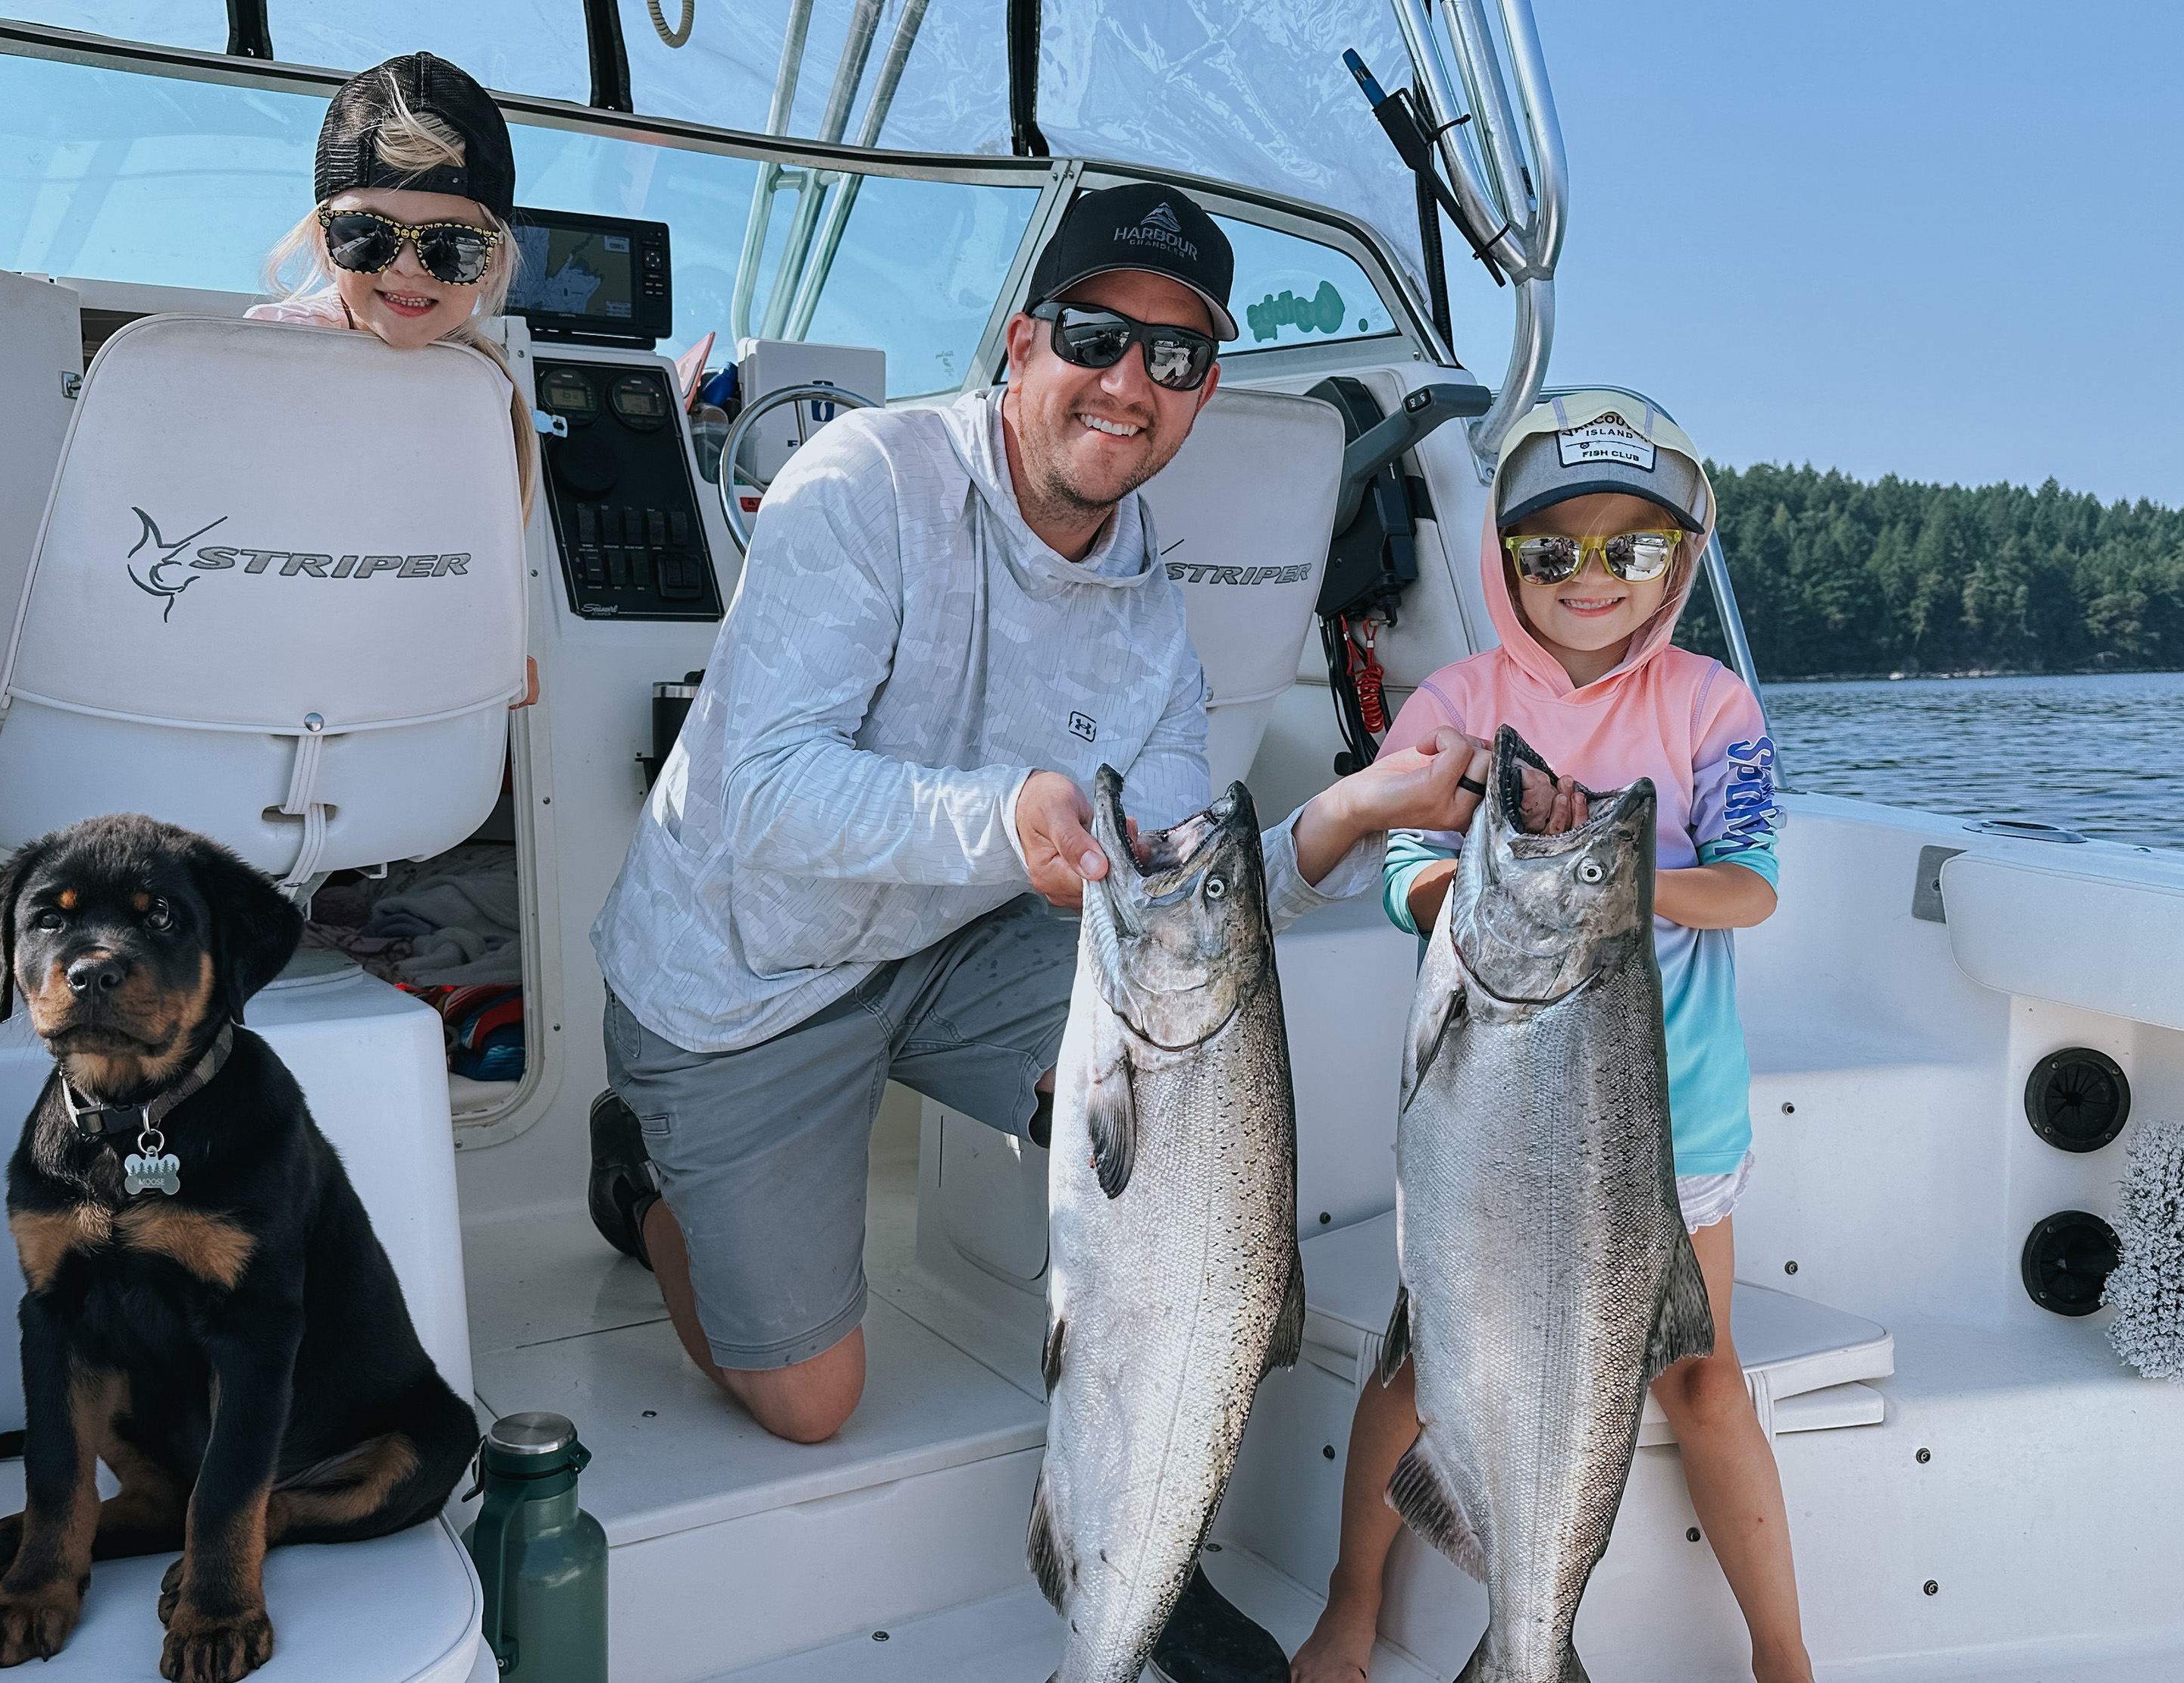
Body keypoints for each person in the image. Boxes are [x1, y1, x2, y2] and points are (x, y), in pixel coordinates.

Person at [585, 181, 1489, 1452]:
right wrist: (1006, 819)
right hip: (748, 971)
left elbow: (1183, 895)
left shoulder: (1149, 609)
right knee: (809, 1404)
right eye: (1094, 335)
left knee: (1179, 1059)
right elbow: (760, 795)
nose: (1128, 380)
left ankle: (1132, 1460)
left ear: (1202, 393)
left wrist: (1351, 809)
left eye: (1173, 356)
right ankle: (642, 1180)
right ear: (1023, 343)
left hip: (954, 944)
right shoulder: (866, 481)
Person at [1289, 393, 1806, 1683]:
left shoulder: (1711, 705)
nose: (1591, 578)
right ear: (1503, 557)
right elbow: (1413, 881)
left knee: (1702, 1378)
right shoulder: (1454, 704)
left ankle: (1784, 1656)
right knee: (1422, 1376)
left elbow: (1752, 885)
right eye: (1552, 549)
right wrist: (1515, 876)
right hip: (1489, 1139)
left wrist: (1604, 882)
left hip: (1676, 1123)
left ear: (1679, 562)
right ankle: (1354, 1608)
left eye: (1631, 549)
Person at [254, 51, 544, 716]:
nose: (410, 269)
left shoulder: (487, 392)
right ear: (326, 243)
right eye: (367, 236)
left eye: (451, 245)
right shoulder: (270, 352)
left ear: (493, 261)